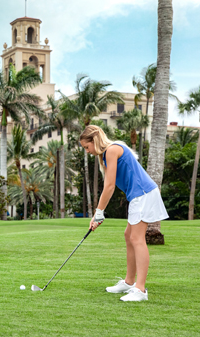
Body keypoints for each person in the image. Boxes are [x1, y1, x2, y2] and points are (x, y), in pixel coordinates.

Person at [80, 125, 168, 302]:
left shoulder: (112, 150)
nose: (87, 151)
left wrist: (99, 213)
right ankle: (129, 282)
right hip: (139, 195)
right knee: (129, 235)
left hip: (143, 194)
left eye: (86, 147)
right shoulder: (107, 153)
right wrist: (99, 214)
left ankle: (140, 289)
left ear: (94, 141)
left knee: (137, 239)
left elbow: (110, 186)